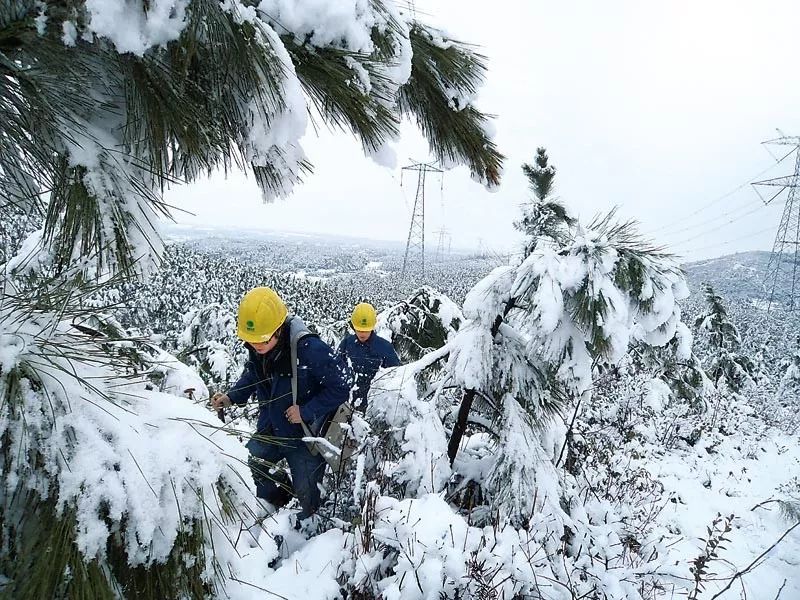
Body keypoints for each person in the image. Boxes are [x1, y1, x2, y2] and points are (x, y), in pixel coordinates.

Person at [211, 287, 351, 523]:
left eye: (262, 340)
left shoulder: (309, 349)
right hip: (271, 428)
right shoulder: (259, 347)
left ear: (278, 329)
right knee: (249, 464)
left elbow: (340, 386)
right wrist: (231, 396)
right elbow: (253, 375)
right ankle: (276, 502)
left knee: (308, 496)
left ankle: (309, 530)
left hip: (304, 438)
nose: (256, 346)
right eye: (250, 341)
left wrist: (305, 411)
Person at [337, 302, 401, 412]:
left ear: (372, 327)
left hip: (375, 407)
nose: (362, 333)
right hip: (346, 404)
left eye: (366, 330)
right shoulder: (346, 344)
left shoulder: (384, 347)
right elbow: (335, 371)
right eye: (359, 330)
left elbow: (396, 376)